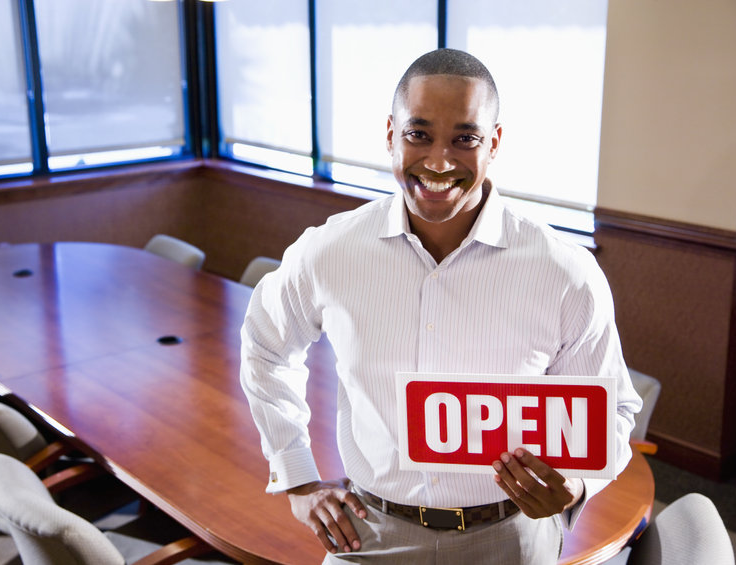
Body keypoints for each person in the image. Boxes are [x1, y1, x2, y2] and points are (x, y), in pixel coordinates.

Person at [240, 48, 642, 564]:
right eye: (418, 134)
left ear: (493, 144)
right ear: (391, 134)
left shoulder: (562, 272)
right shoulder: (330, 251)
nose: (438, 161)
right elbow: (266, 348)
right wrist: (296, 478)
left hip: (510, 539)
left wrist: (578, 485)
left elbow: (614, 410)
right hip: (369, 533)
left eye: (465, 139)